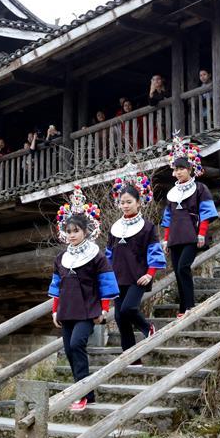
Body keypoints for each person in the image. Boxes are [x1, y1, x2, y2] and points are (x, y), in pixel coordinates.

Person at [49, 185, 119, 412]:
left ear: (85, 231)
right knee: (69, 349)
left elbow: (106, 282)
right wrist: (55, 310)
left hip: (88, 309)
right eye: (68, 231)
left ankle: (81, 394)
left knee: (77, 344)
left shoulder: (95, 255)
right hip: (66, 310)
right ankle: (87, 393)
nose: (71, 235)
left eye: (76, 231)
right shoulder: (61, 258)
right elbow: (56, 286)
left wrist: (104, 308)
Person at [106, 168, 166, 357]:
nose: (125, 205)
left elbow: (154, 252)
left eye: (129, 202)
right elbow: (108, 255)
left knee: (129, 308)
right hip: (117, 278)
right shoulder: (114, 228)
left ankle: (148, 328)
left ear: (139, 203)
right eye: (122, 202)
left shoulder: (147, 227)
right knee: (120, 317)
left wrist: (150, 274)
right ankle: (130, 358)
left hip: (139, 277)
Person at [161, 136, 218, 316]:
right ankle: (183, 307)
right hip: (175, 237)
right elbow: (168, 218)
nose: (178, 172)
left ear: (189, 169)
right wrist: (165, 240)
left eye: (182, 169)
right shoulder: (172, 193)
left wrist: (202, 233)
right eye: (176, 169)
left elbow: (206, 212)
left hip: (192, 234)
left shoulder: (200, 188)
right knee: (177, 272)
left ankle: (190, 306)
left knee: (183, 267)